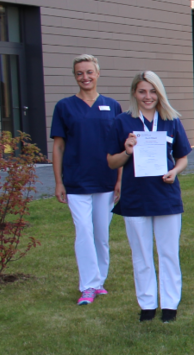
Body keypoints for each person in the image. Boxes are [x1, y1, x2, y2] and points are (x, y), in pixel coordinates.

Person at [106, 71, 192, 323]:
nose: (148, 96)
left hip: (166, 196)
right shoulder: (122, 122)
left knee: (168, 253)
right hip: (135, 197)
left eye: (153, 91)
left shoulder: (171, 121)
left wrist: (174, 172)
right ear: (134, 92)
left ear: (160, 93)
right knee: (141, 254)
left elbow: (183, 157)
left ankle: (169, 305)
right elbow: (112, 162)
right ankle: (146, 304)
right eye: (143, 91)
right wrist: (127, 151)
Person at [51, 54, 122, 306]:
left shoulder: (112, 106)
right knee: (83, 232)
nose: (85, 77)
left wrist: (119, 180)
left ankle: (100, 280)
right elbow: (58, 147)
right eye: (80, 73)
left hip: (105, 179)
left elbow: (119, 147)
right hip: (77, 181)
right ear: (75, 76)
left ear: (98, 73)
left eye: (89, 72)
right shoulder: (64, 107)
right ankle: (88, 286)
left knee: (101, 234)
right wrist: (59, 181)